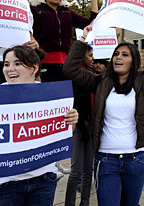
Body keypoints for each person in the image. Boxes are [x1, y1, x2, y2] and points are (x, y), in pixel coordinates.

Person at [62, 13, 144, 206]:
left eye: (124, 54)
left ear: (134, 61)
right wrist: (82, 39)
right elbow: (69, 69)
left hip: (136, 159)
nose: (118, 57)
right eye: (116, 54)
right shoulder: (99, 82)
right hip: (106, 160)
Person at [0, 45, 78, 206]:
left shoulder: (52, 97)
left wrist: (71, 121)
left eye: (17, 63)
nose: (10, 69)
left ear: (34, 68)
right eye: (6, 64)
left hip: (42, 181)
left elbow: (63, 134)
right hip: (1, 187)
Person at [30, 0, 100, 82]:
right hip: (42, 62)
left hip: (66, 64)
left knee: (66, 97)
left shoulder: (67, 12)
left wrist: (94, 0)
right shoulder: (33, 11)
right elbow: (24, 28)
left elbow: (90, 24)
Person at [64, 43, 95, 206]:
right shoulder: (74, 77)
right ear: (82, 55)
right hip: (78, 127)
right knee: (76, 171)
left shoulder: (92, 75)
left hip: (90, 126)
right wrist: (81, 126)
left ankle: (85, 202)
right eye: (90, 55)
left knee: (88, 170)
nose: (93, 58)